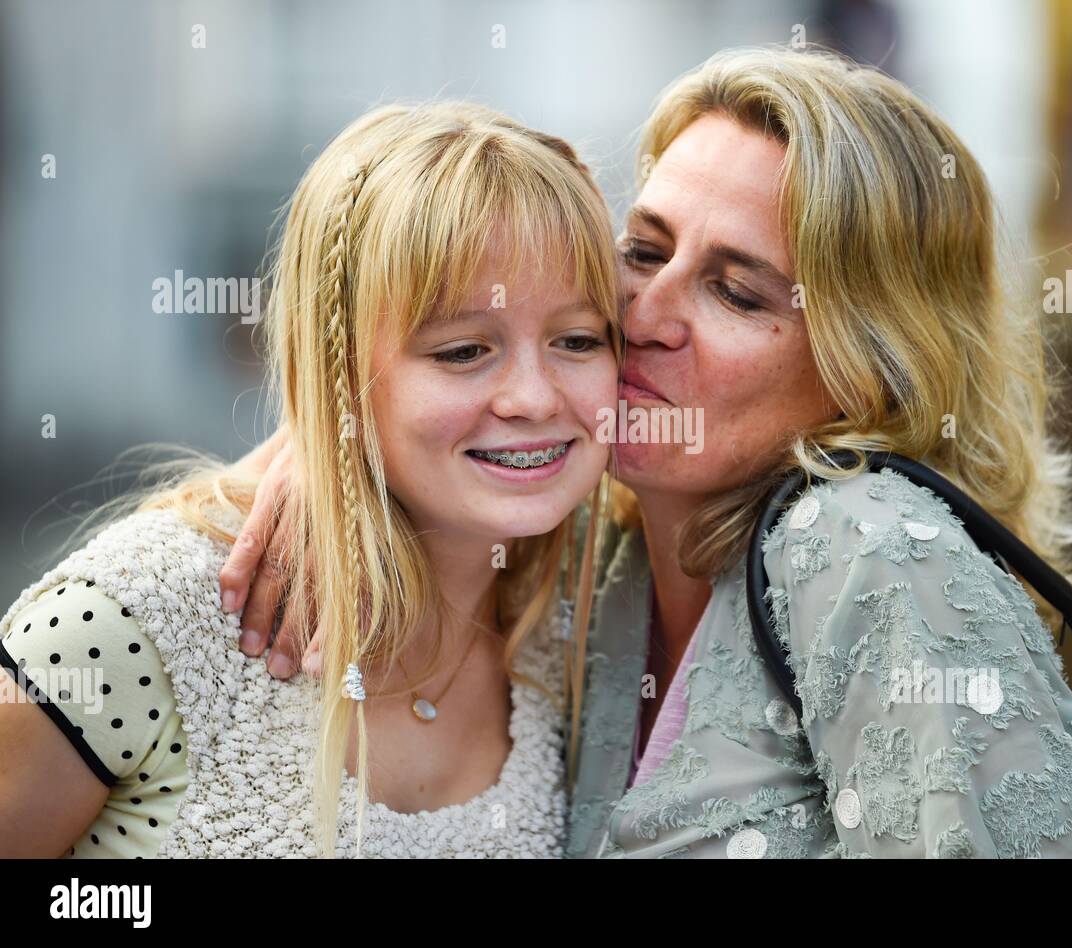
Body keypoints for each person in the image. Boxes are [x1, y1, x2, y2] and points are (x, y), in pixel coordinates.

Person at [224, 47, 1072, 858]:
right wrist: (334, 447)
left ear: (870, 370)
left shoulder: (872, 550)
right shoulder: (596, 540)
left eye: (736, 294)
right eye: (642, 250)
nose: (646, 315)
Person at [0, 100, 621, 857]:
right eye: (462, 351)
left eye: (579, 339)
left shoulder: (584, 611)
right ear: (339, 374)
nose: (534, 397)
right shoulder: (135, 617)